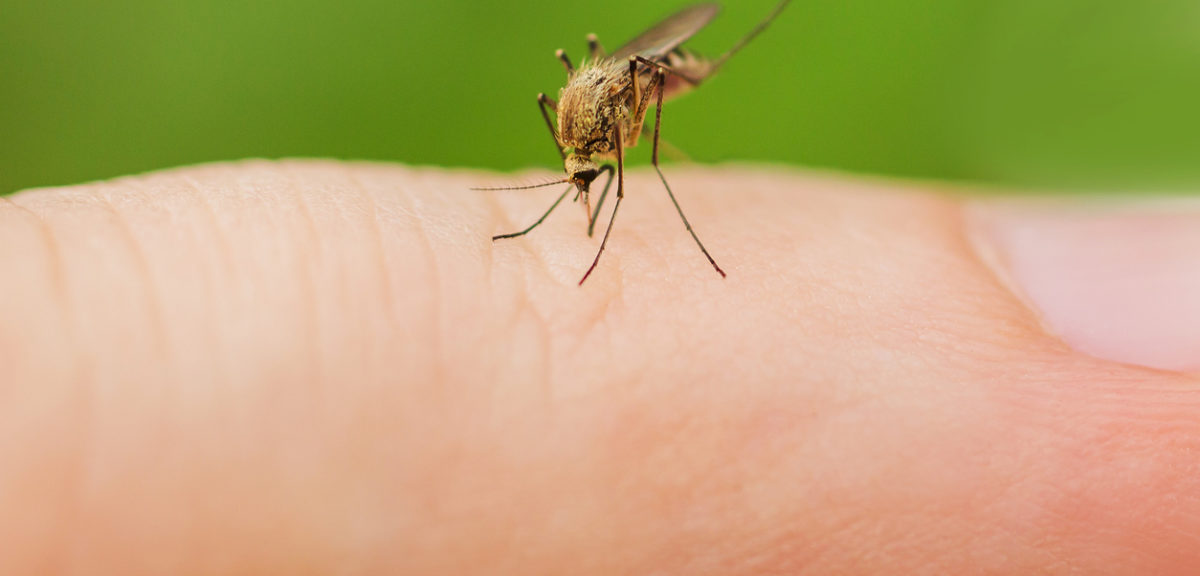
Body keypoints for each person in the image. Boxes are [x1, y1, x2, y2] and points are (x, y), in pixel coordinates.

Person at [2, 160, 1198, 574]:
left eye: (581, 186)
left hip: (631, 88)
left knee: (636, 156)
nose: (591, 187)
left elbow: (622, 148)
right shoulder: (576, 142)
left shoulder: (616, 129)